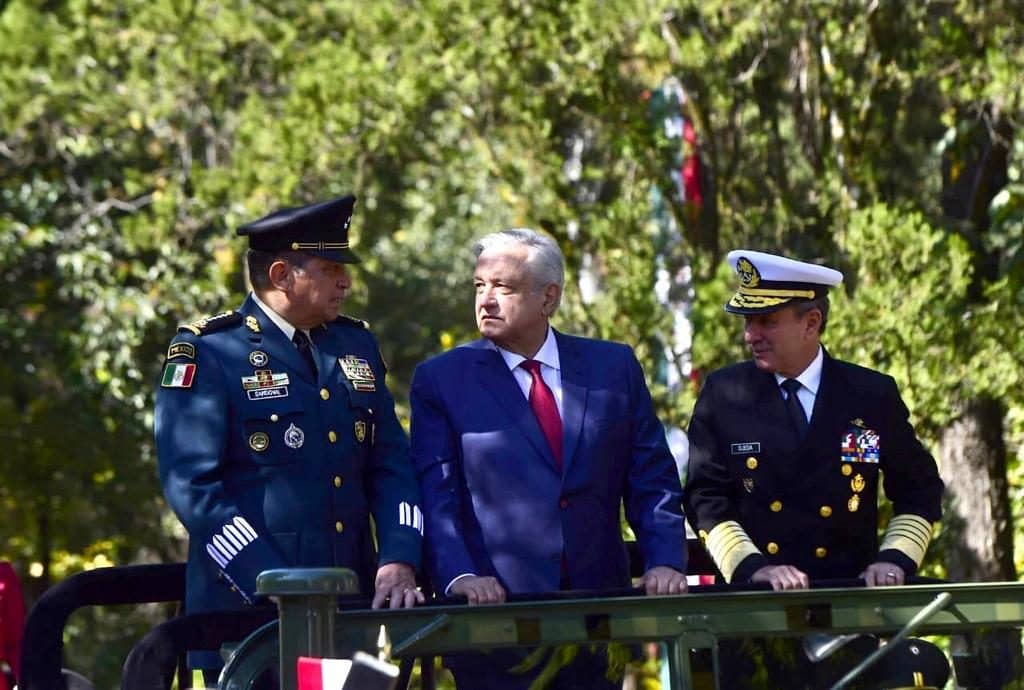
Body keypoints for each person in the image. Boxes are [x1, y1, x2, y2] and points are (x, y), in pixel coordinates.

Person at [154, 195, 424, 677]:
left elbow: (392, 464)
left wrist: (400, 556)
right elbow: (193, 488)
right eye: (329, 268)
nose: (345, 280)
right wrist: (271, 581)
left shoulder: (355, 344)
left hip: (354, 614)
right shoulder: (210, 351)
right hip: (249, 622)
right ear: (281, 276)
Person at [410, 228, 688, 689]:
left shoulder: (612, 368)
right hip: (494, 619)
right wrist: (460, 574)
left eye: (503, 287)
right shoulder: (442, 379)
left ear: (549, 297)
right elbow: (437, 494)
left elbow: (651, 478)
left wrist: (664, 561)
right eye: (480, 286)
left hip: (599, 615)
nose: (486, 300)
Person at [682, 249, 945, 688]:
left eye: (766, 321)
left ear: (812, 322)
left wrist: (894, 559)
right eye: (748, 322)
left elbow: (919, 491)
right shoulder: (725, 392)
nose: (751, 335)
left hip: (848, 621)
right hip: (755, 625)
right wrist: (754, 569)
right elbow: (705, 498)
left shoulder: (869, 393)